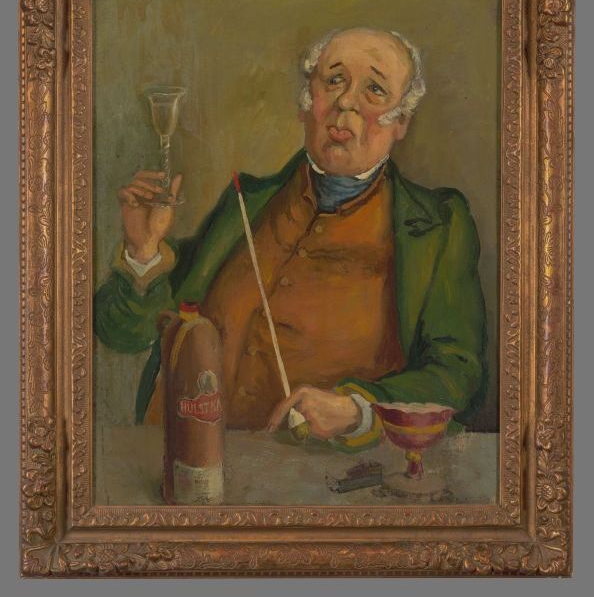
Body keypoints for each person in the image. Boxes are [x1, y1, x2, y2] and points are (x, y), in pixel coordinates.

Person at [94, 27, 487, 451]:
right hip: (179, 455)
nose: (345, 102)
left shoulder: (437, 226)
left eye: (374, 89)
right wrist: (143, 250)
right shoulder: (244, 203)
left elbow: (456, 373)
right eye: (333, 80)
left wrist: (358, 411)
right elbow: (124, 334)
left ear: (401, 122)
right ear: (307, 103)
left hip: (313, 471)